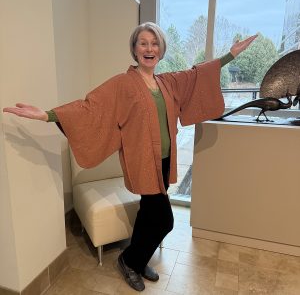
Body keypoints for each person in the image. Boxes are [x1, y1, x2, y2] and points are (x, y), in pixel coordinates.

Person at [3, 22, 256, 292]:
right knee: (166, 220)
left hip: (165, 161)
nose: (149, 48)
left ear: (161, 49)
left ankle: (138, 257)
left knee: (149, 213)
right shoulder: (123, 83)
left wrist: (231, 55)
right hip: (143, 161)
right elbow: (90, 108)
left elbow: (196, 75)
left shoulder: (167, 81)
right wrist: (47, 115)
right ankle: (129, 260)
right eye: (143, 43)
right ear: (134, 50)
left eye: (154, 43)